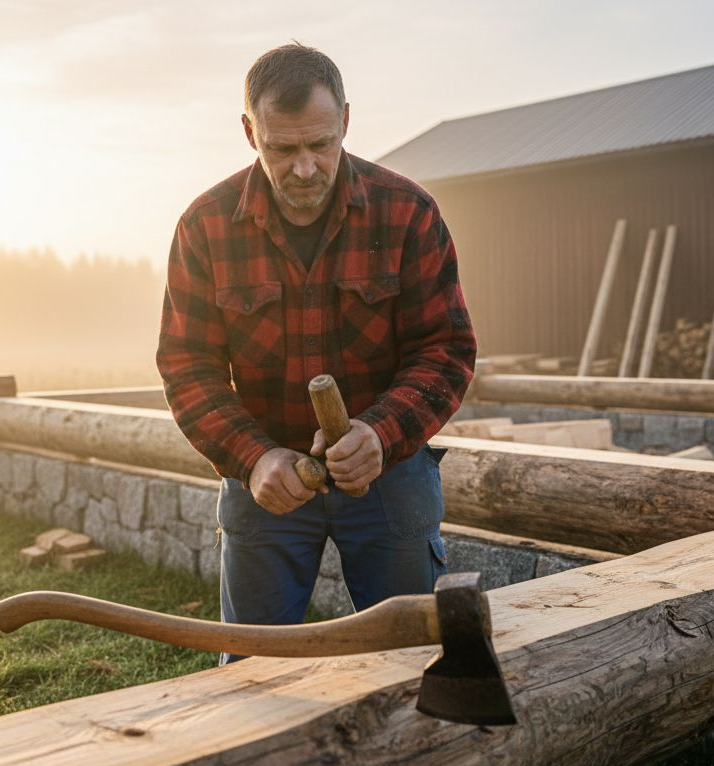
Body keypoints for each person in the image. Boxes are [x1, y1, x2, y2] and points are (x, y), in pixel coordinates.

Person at [156, 43, 476, 661]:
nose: (304, 168)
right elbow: (186, 368)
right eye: (282, 149)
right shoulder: (205, 226)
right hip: (266, 483)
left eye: (320, 145)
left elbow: (446, 348)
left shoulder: (408, 213)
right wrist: (253, 458)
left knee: (416, 662)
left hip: (390, 470)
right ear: (251, 132)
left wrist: (380, 434)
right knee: (252, 672)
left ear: (347, 123)